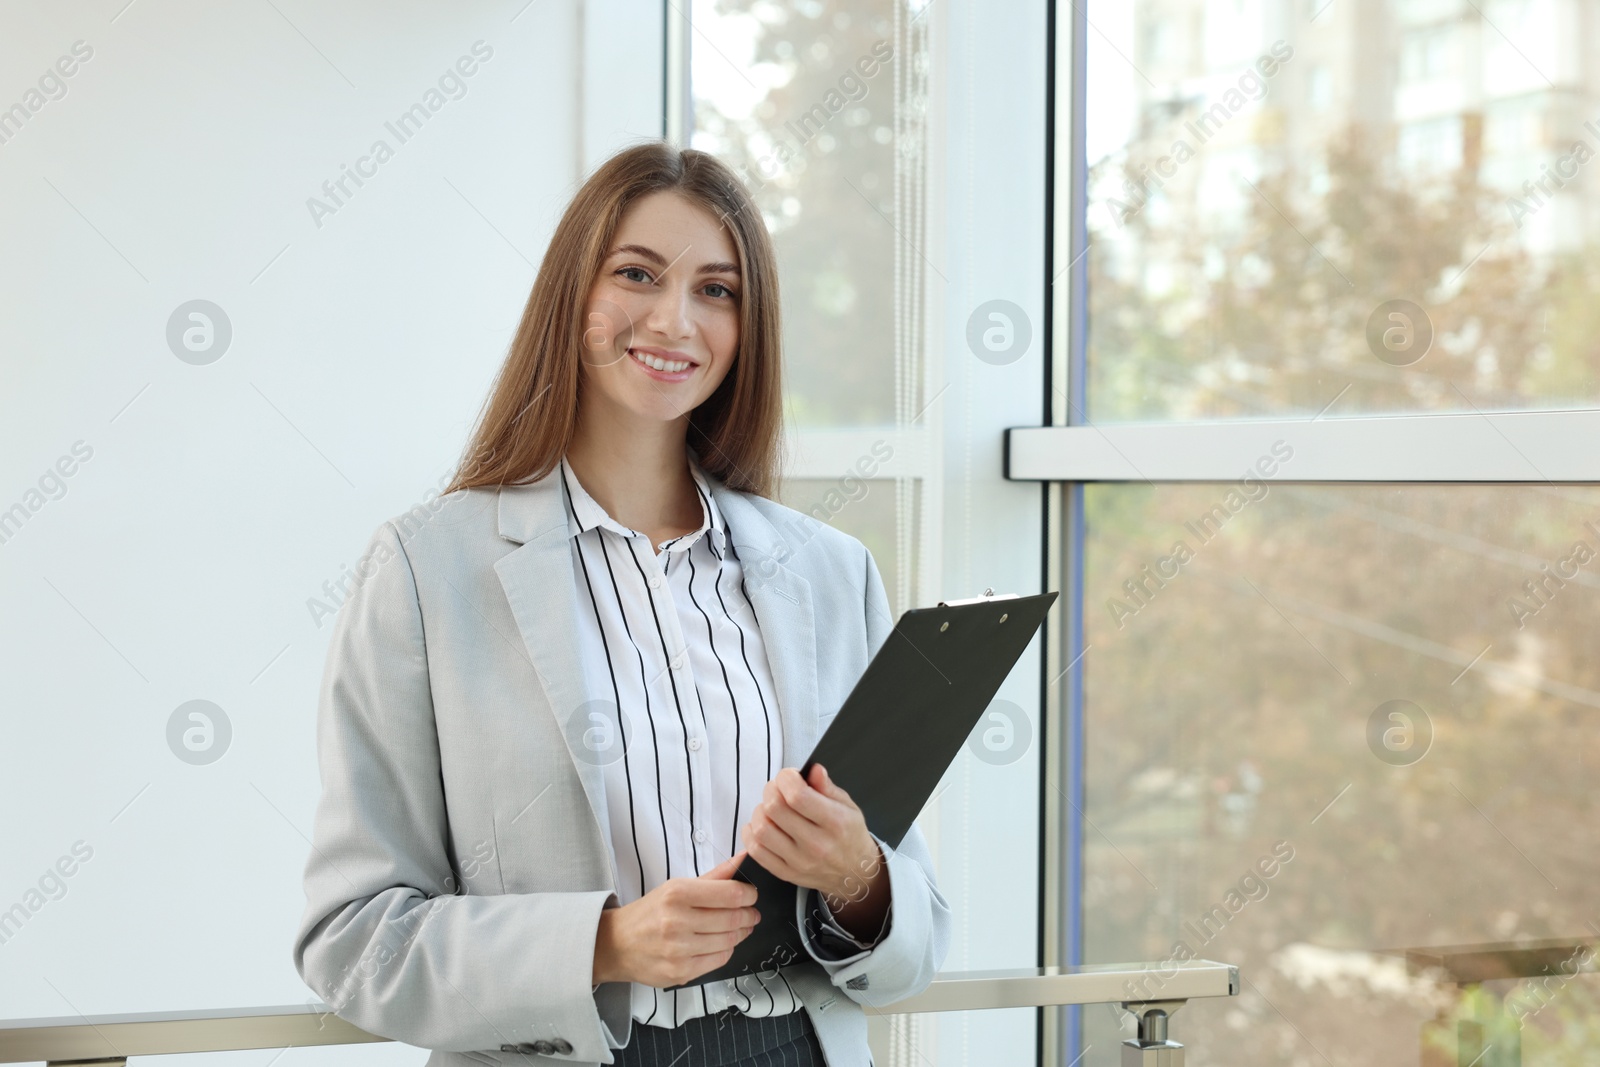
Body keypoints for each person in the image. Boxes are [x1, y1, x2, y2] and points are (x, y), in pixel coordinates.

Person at [292, 140, 950, 1067]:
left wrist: (859, 880)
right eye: (638, 273)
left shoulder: (832, 572)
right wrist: (604, 944)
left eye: (717, 290)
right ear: (575, 295)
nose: (675, 319)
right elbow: (354, 940)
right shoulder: (424, 570)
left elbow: (920, 942)